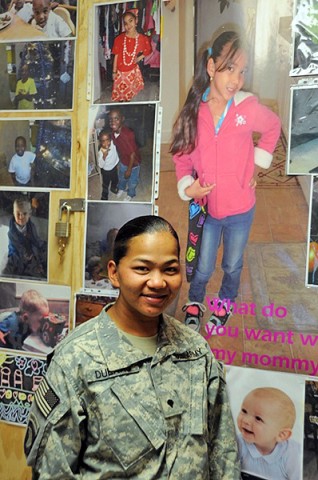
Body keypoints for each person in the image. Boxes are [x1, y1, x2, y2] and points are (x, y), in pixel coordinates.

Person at [24, 215, 240, 479]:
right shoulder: (75, 359)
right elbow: (53, 472)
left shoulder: (195, 350)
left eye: (170, 269)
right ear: (114, 273)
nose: (158, 282)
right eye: (142, 269)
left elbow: (223, 452)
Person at [171, 30, 281, 331]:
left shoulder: (246, 108)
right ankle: (195, 300)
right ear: (211, 67)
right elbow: (181, 157)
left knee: (232, 264)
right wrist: (187, 187)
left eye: (242, 71)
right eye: (229, 68)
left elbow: (273, 127)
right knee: (203, 265)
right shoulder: (193, 113)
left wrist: (257, 165)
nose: (236, 79)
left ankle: (226, 301)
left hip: (241, 209)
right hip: (208, 211)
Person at [237, 387, 300, 480]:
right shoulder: (239, 443)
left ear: (281, 435)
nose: (246, 420)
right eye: (244, 411)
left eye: (258, 418)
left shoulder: (292, 454)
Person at [111, 9, 152, 102]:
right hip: (120, 73)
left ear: (136, 21)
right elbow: (116, 56)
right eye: (125, 23)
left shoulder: (142, 38)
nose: (128, 25)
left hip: (132, 72)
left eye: (131, 21)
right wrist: (114, 72)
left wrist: (139, 58)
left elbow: (148, 50)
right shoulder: (119, 39)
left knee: (129, 96)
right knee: (120, 97)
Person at [2, 197, 47, 279]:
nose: (21, 217)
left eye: (24, 214)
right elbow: (13, 252)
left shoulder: (31, 226)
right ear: (13, 213)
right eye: (18, 213)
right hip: (18, 261)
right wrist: (26, 257)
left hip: (33, 258)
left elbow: (37, 242)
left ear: (30, 214)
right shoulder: (10, 232)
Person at [109, 107, 141, 201]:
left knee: (132, 181)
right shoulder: (113, 133)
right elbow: (116, 147)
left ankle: (131, 194)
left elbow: (133, 154)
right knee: (122, 178)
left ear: (122, 119)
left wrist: (129, 170)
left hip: (134, 163)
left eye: (116, 118)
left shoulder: (128, 134)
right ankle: (122, 189)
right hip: (123, 160)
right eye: (111, 119)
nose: (113, 121)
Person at [97, 129, 119, 200]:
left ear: (111, 139)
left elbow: (117, 135)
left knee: (115, 179)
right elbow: (100, 165)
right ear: (100, 142)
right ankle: (104, 196)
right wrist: (104, 156)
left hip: (114, 167)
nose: (106, 143)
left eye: (108, 140)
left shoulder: (113, 143)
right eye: (103, 141)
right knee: (105, 185)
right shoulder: (100, 152)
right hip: (106, 171)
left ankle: (113, 188)